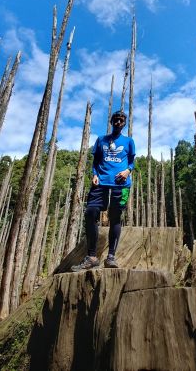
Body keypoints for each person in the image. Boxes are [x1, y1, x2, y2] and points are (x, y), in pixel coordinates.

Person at [71, 110, 135, 271]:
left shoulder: (129, 141)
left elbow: (132, 162)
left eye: (121, 120)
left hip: (122, 185)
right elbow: (95, 161)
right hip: (100, 183)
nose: (119, 123)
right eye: (116, 120)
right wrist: (94, 174)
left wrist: (128, 171)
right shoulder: (101, 140)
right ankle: (92, 257)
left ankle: (111, 257)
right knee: (90, 213)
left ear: (124, 123)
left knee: (115, 216)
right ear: (111, 122)